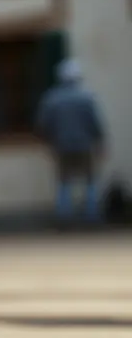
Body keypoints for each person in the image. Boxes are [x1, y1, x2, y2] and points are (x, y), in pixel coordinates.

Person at [35, 58, 107, 227]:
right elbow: (95, 123)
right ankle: (92, 216)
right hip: (84, 145)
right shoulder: (86, 97)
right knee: (90, 181)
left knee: (63, 182)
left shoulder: (51, 99)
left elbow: (43, 124)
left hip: (61, 146)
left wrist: (49, 142)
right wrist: (101, 143)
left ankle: (64, 218)